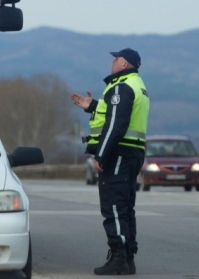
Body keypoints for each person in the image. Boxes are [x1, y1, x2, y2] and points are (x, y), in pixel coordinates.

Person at [70, 48, 149, 275]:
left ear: (125, 64)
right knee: (125, 207)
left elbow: (116, 125)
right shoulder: (137, 85)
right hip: (132, 154)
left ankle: (118, 257)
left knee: (113, 206)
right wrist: (93, 106)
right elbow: (116, 115)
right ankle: (128, 257)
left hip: (118, 154)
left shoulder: (121, 87)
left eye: (116, 59)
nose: (113, 62)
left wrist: (101, 154)